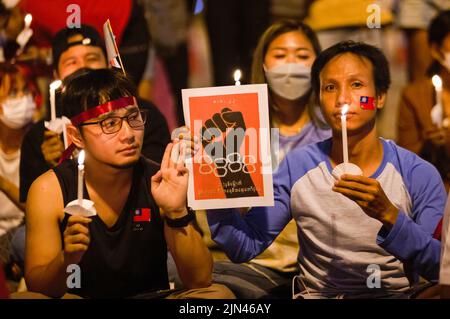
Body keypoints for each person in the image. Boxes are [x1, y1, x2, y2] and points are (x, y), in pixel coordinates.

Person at [207, 41, 446, 298]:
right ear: (319, 99)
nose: (342, 99)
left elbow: (439, 267)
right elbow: (244, 246)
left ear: (379, 97)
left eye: (356, 85)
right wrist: (211, 185)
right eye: (330, 88)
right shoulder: (298, 166)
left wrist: (389, 215)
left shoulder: (417, 173)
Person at [20, 68, 234, 299]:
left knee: (218, 296)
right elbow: (39, 287)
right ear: (76, 135)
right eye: (110, 123)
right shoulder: (49, 189)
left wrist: (176, 212)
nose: (129, 134)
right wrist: (67, 259)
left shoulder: (159, 179)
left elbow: (199, 279)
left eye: (134, 118)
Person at [208, 20, 330, 299]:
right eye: (280, 55)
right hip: (252, 262)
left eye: (302, 56)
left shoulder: (335, 133)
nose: (291, 65)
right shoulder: (237, 133)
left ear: (319, 64)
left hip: (318, 266)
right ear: (263, 64)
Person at [19, 25, 170, 204]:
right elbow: (31, 207)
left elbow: (158, 178)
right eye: (71, 62)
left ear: (107, 64)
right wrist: (53, 166)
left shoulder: (143, 114)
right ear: (56, 74)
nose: (83, 67)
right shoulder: (40, 135)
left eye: (92, 58)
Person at [397, 9, 450, 192]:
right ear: (436, 50)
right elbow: (404, 159)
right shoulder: (413, 96)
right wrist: (428, 145)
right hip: (436, 191)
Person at [0, 62, 39, 273]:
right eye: (13, 93)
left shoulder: (39, 142)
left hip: (25, 230)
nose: (23, 99)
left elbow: (36, 206)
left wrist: (3, 184)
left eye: (25, 91)